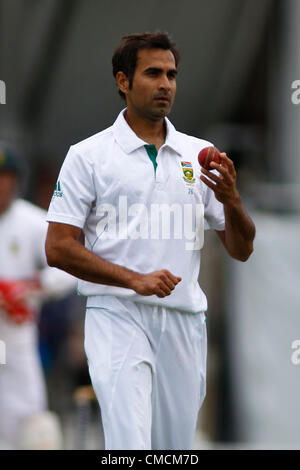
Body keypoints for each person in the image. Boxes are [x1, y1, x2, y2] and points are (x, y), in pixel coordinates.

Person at [45, 32, 255, 450]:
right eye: (153, 73)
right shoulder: (88, 156)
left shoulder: (199, 155)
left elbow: (241, 248)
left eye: (172, 75)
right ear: (123, 81)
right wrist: (133, 279)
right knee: (130, 445)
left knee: (175, 449)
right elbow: (58, 247)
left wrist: (232, 201)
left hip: (184, 322)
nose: (166, 85)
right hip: (117, 315)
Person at [0, 141, 77, 449]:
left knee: (32, 424)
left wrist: (32, 289)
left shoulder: (31, 221)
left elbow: (67, 267)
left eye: (6, 177)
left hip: (18, 336)